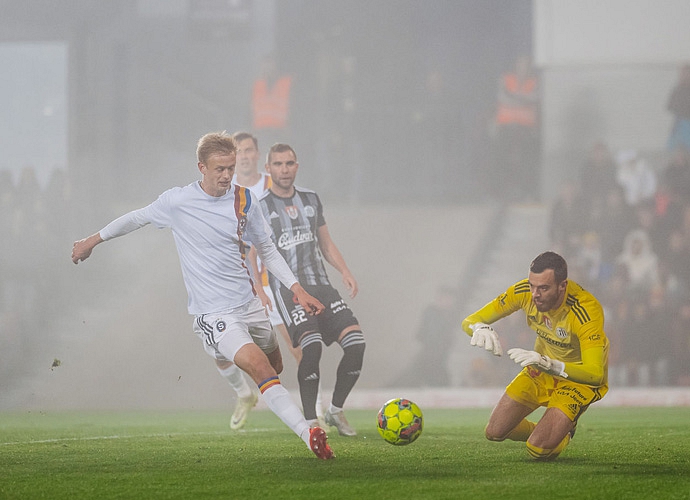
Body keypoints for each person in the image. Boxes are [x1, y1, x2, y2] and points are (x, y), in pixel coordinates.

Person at [71, 131, 334, 460]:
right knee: (259, 368)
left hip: (250, 305)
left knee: (274, 365)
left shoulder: (244, 200)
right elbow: (136, 218)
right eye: (219, 169)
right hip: (214, 313)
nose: (226, 175)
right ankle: (309, 434)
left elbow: (267, 248)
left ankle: (234, 371)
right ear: (201, 168)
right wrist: (92, 240)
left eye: (231, 168)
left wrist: (296, 289)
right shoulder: (177, 202)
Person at [253, 143, 366, 437]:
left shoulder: (311, 199)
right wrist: (259, 289)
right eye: (278, 164)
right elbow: (251, 252)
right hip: (288, 290)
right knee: (311, 347)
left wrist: (345, 270)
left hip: (322, 285)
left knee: (356, 344)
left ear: (297, 166)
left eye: (289, 163)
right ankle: (310, 422)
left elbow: (325, 243)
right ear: (268, 169)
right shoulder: (260, 206)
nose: (284, 169)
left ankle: (335, 411)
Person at [461, 251, 609, 461]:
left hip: (577, 379)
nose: (535, 294)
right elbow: (469, 320)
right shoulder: (523, 292)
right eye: (532, 285)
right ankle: (552, 429)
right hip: (540, 367)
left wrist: (552, 365)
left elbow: (596, 374)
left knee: (538, 449)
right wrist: (477, 328)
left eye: (544, 288)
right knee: (494, 432)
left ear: (562, 286)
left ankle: (563, 431)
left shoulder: (585, 310)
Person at [232, 131, 326, 424]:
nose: (244, 156)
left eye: (249, 150)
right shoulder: (226, 189)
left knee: (299, 350)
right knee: (223, 350)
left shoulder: (271, 186)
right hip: (243, 285)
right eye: (238, 151)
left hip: (276, 282)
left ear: (258, 155)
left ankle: (317, 413)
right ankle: (242, 393)